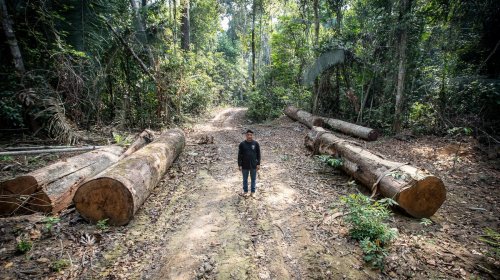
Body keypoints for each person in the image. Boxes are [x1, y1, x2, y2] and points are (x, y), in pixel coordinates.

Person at [238, 129, 261, 198]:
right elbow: (239, 155)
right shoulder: (242, 144)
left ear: (252, 135)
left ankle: (253, 192)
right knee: (245, 179)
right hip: (244, 165)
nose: (249, 136)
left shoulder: (255, 143)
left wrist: (258, 163)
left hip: (253, 165)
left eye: (251, 135)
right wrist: (239, 164)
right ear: (246, 135)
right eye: (248, 135)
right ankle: (245, 191)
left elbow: (258, 154)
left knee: (253, 179)